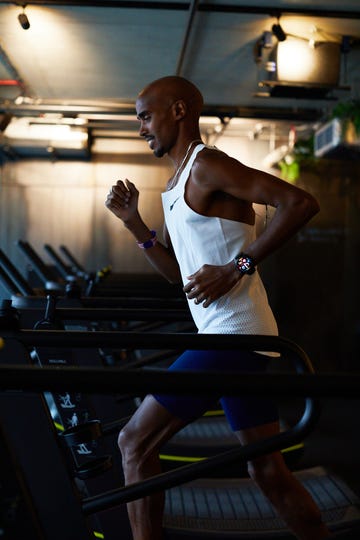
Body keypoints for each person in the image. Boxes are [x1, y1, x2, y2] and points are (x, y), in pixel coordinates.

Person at [105, 75, 331, 540]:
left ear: (180, 111)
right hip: (234, 339)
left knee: (133, 441)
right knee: (266, 472)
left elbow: (300, 202)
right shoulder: (176, 182)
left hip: (235, 336)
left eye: (146, 117)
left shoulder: (207, 165)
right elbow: (178, 277)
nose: (141, 128)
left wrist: (238, 266)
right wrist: (135, 224)